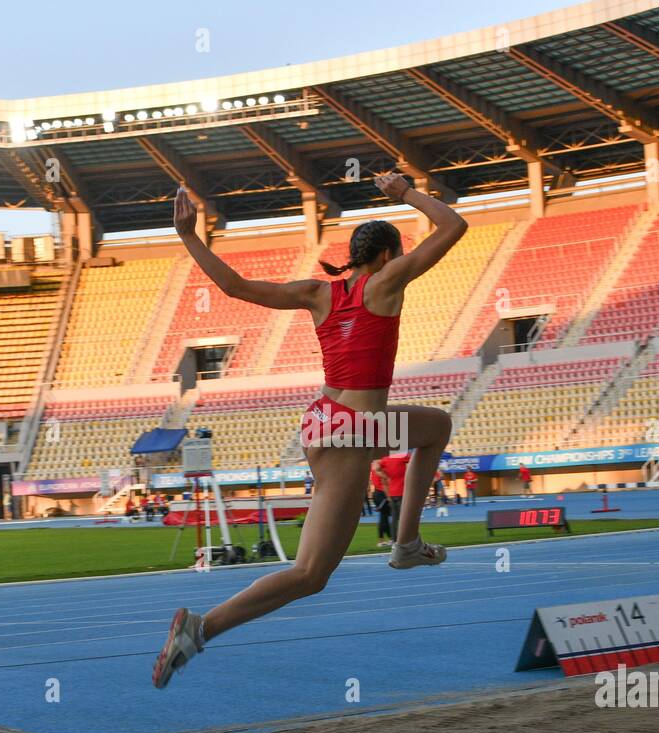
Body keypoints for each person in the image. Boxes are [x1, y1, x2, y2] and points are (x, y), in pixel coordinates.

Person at [155, 173, 466, 688]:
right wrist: (406, 193)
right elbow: (453, 224)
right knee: (310, 575)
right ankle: (200, 627)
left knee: (435, 426)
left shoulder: (318, 294)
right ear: (387, 255)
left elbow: (234, 287)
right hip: (352, 433)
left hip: (328, 421)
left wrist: (189, 236)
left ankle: (407, 543)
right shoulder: (386, 282)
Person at [373, 452, 411, 543]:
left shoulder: (385, 459)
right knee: (405, 518)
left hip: (392, 493)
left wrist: (386, 477)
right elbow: (415, 460)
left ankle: (394, 540)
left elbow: (375, 468)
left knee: (394, 519)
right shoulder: (402, 456)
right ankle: (406, 540)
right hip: (401, 492)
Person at [369, 466, 392, 546]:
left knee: (383, 517)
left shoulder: (374, 467)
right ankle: (387, 538)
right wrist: (389, 497)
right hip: (382, 494)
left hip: (377, 494)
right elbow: (384, 482)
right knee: (384, 518)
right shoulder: (380, 469)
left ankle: (383, 539)